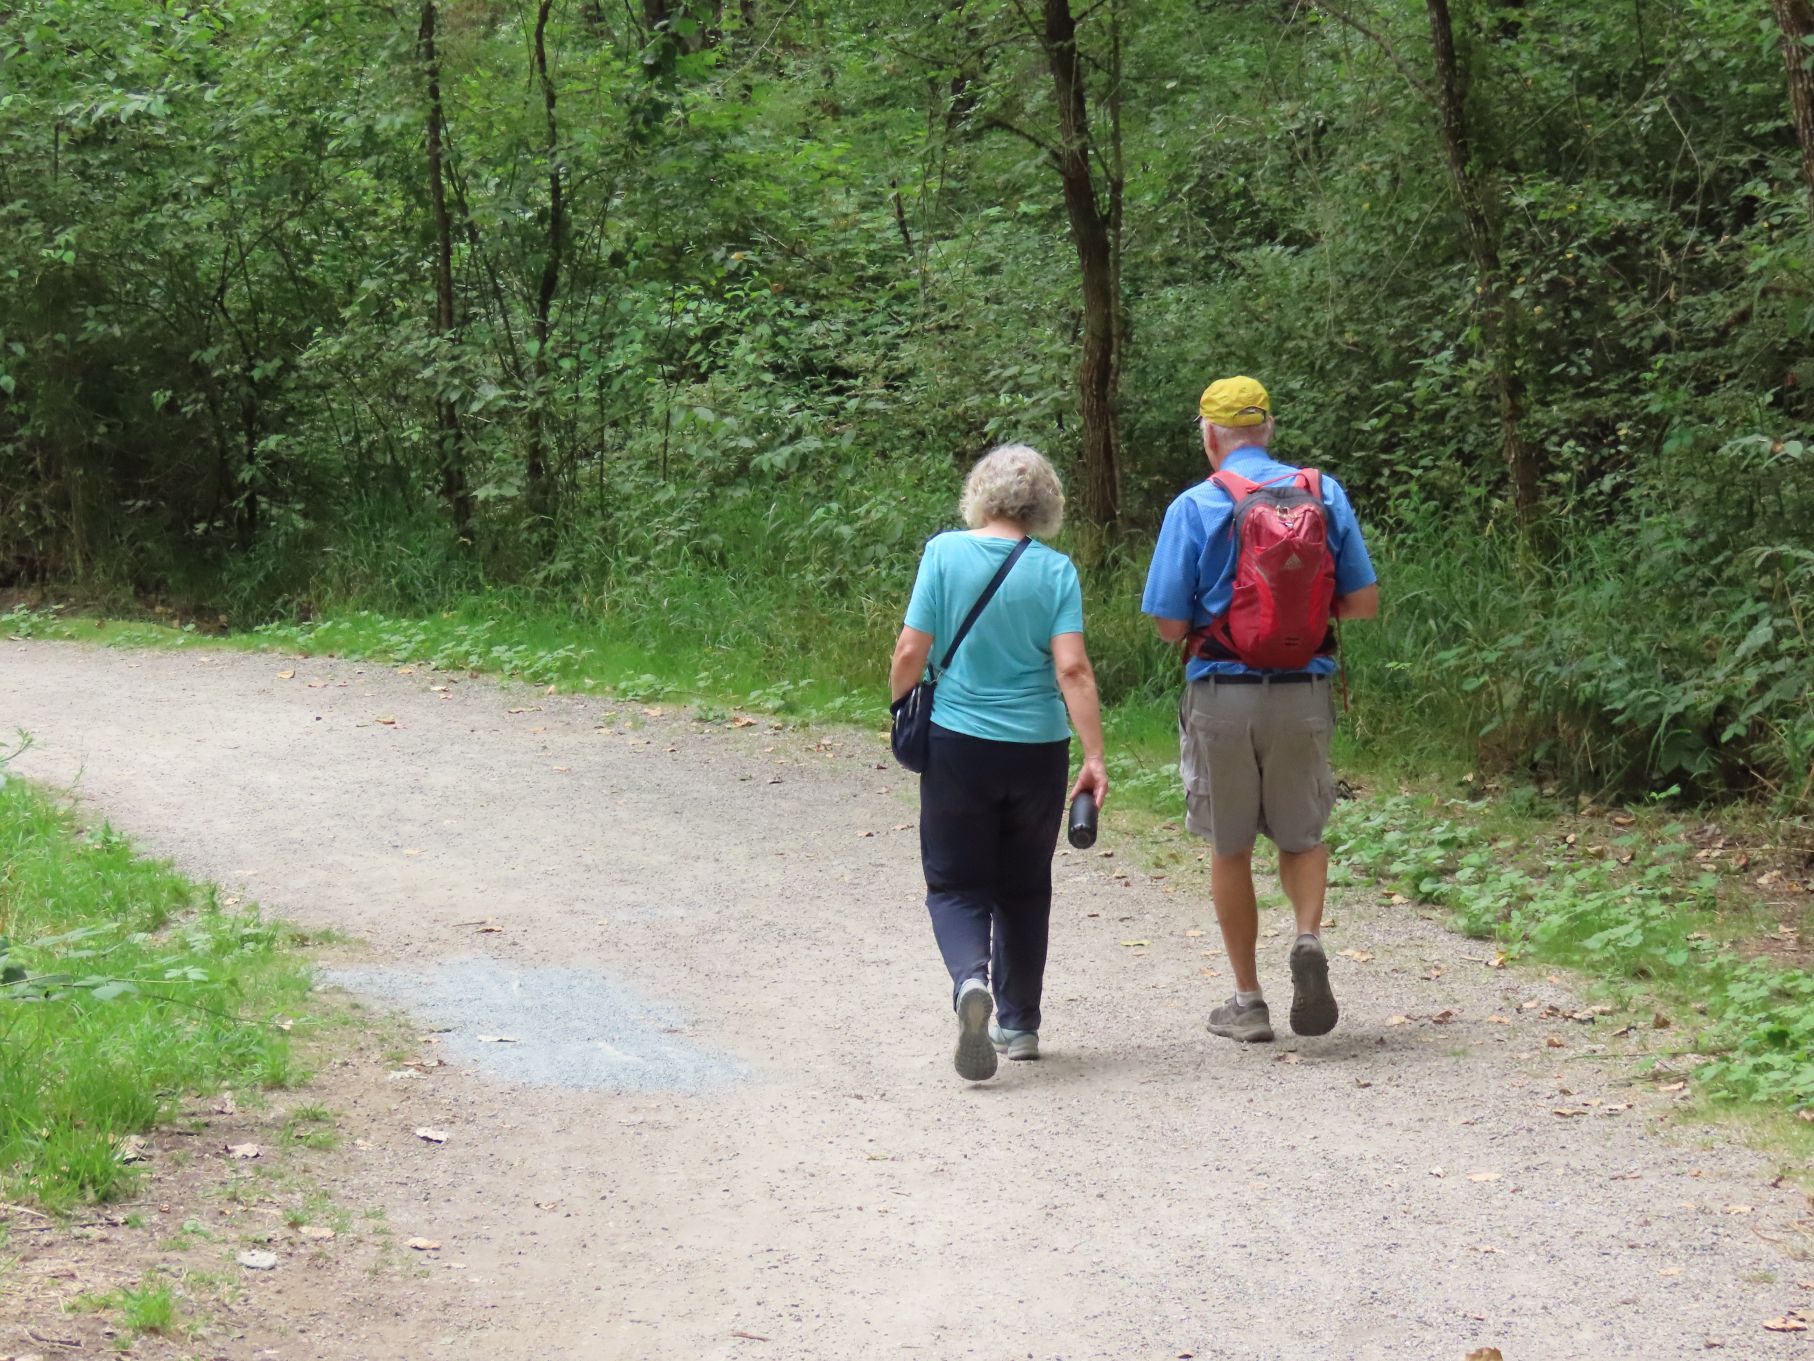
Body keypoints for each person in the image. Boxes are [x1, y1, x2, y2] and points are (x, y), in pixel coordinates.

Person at [1142, 377, 1379, 1043]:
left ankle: (1248, 1001)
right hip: (1304, 692)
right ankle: (1306, 936)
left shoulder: (1194, 505)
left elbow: (1168, 624)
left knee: (1230, 845)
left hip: (1222, 695)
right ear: (1268, 428)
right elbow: (1363, 603)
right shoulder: (1322, 494)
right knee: (1302, 836)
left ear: (1209, 437)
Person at [890, 444, 1109, 1081]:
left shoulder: (943, 554)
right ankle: (1021, 1024)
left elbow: (910, 650)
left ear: (979, 495)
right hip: (1039, 750)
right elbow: (1073, 668)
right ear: (1045, 504)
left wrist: (901, 709)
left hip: (959, 744)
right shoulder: (1056, 571)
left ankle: (970, 983)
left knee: (956, 885)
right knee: (1025, 886)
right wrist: (1094, 755)